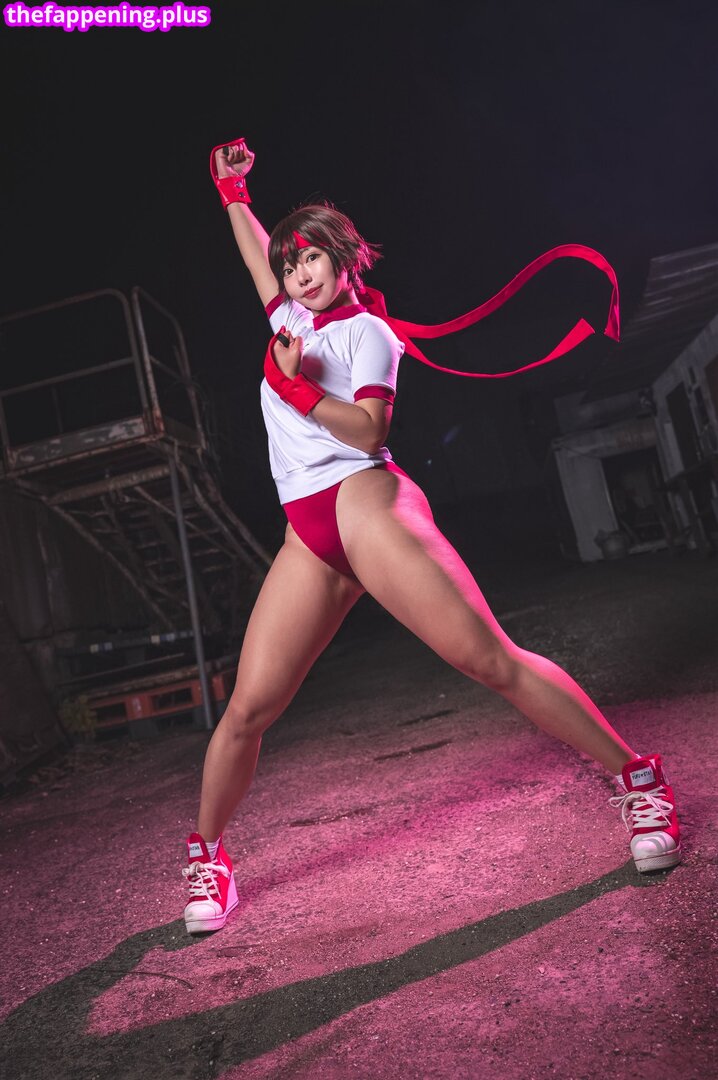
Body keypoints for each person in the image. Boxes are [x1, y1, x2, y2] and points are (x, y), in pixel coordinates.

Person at [182, 138, 681, 934]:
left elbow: (368, 428)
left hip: (366, 503)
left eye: (311, 258)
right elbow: (253, 256)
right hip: (306, 534)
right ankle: (209, 856)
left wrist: (298, 391)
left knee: (488, 660)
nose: (298, 274)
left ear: (345, 259)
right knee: (246, 710)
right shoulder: (288, 317)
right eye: (290, 264)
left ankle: (639, 781)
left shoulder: (369, 336)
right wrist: (231, 193)